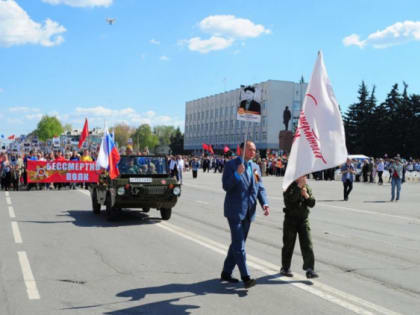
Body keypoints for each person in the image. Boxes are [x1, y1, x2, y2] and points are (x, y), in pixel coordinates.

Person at [220, 141, 270, 289]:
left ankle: (226, 272)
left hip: (249, 211)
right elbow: (226, 186)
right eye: (249, 149)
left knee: (237, 243)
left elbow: (259, 188)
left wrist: (264, 204)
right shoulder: (231, 165)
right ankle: (246, 277)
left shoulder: (255, 167)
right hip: (234, 211)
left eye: (254, 150)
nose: (253, 152)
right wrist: (237, 174)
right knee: (239, 244)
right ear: (240, 149)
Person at [281, 175, 318, 279]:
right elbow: (289, 201)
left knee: (307, 244)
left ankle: (310, 269)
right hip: (290, 220)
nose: (304, 177)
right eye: (302, 175)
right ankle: (285, 267)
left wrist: (305, 194)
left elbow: (312, 203)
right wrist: (298, 188)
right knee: (288, 244)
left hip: (303, 220)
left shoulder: (306, 187)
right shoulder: (288, 186)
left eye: (304, 176)